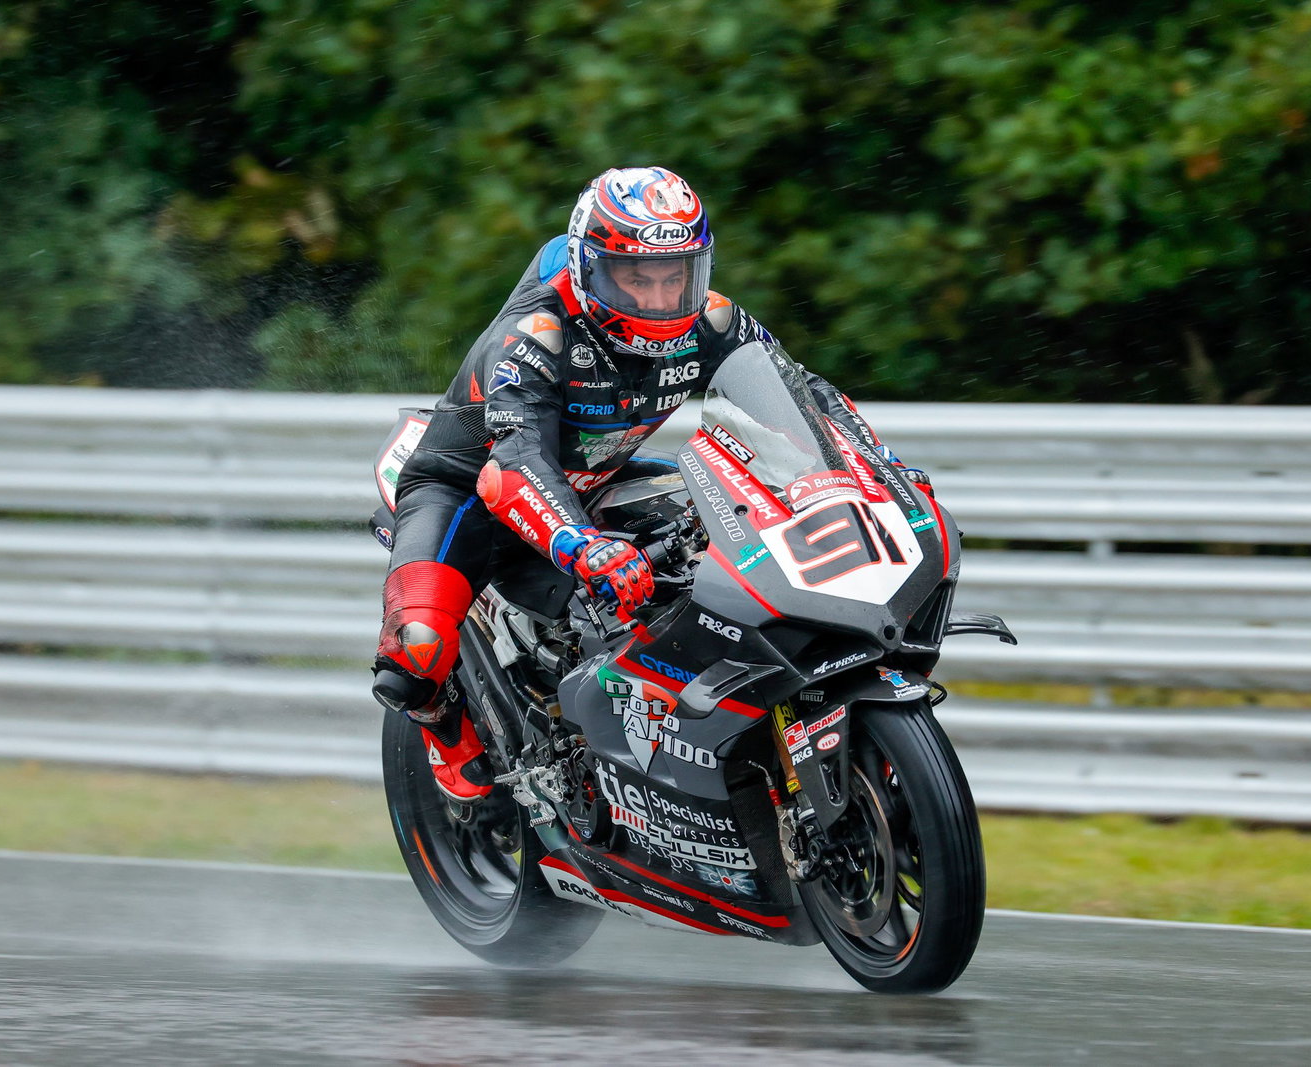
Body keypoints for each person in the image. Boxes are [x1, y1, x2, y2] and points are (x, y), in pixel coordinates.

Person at [371, 166, 930, 803]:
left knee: (730, 541)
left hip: (601, 478)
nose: (660, 300)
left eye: (676, 277)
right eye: (636, 278)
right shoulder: (533, 336)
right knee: (417, 648)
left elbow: (800, 396)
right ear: (589, 268)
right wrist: (584, 545)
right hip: (469, 487)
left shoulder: (712, 320)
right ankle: (444, 729)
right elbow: (516, 462)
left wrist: (877, 468)